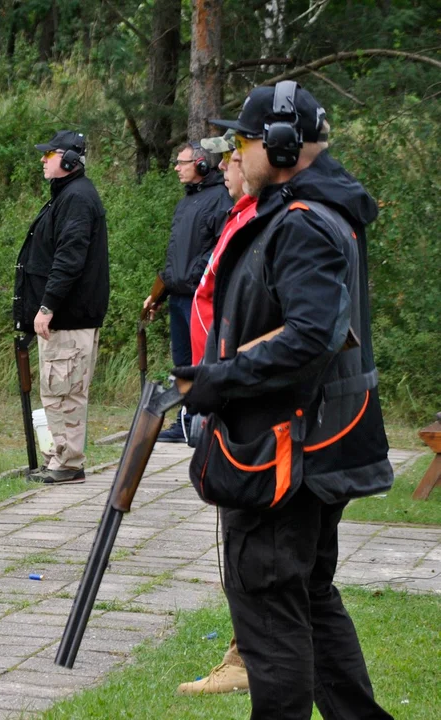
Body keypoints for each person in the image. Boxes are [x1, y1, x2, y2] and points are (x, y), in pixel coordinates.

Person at [174, 82, 394, 719]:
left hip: (288, 452)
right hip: (307, 445)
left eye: (241, 142)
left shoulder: (303, 225)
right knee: (308, 598)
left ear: (279, 145)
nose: (231, 157)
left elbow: (309, 337)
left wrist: (220, 378)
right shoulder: (314, 212)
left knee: (269, 606)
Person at [176, 129, 256, 697]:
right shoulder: (241, 214)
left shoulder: (265, 220)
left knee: (250, 540)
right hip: (221, 385)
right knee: (236, 533)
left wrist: (221, 378)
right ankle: (245, 646)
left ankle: (247, 652)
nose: (226, 165)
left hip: (240, 395)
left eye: (234, 155)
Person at [13, 130, 109, 483]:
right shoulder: (69, 196)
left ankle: (68, 462)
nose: (43, 159)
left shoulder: (77, 199)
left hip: (68, 318)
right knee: (60, 389)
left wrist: (48, 304)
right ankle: (62, 455)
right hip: (67, 318)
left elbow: (70, 256)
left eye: (49, 154)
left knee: (63, 391)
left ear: (69, 160)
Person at [149, 141, 231, 443]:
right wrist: (161, 292)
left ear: (200, 164)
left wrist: (195, 277)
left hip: (201, 296)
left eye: (182, 162)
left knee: (202, 361)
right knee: (182, 363)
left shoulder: (220, 198)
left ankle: (204, 423)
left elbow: (218, 249)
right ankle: (185, 422)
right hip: (179, 295)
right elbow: (176, 254)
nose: (176, 168)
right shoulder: (185, 202)